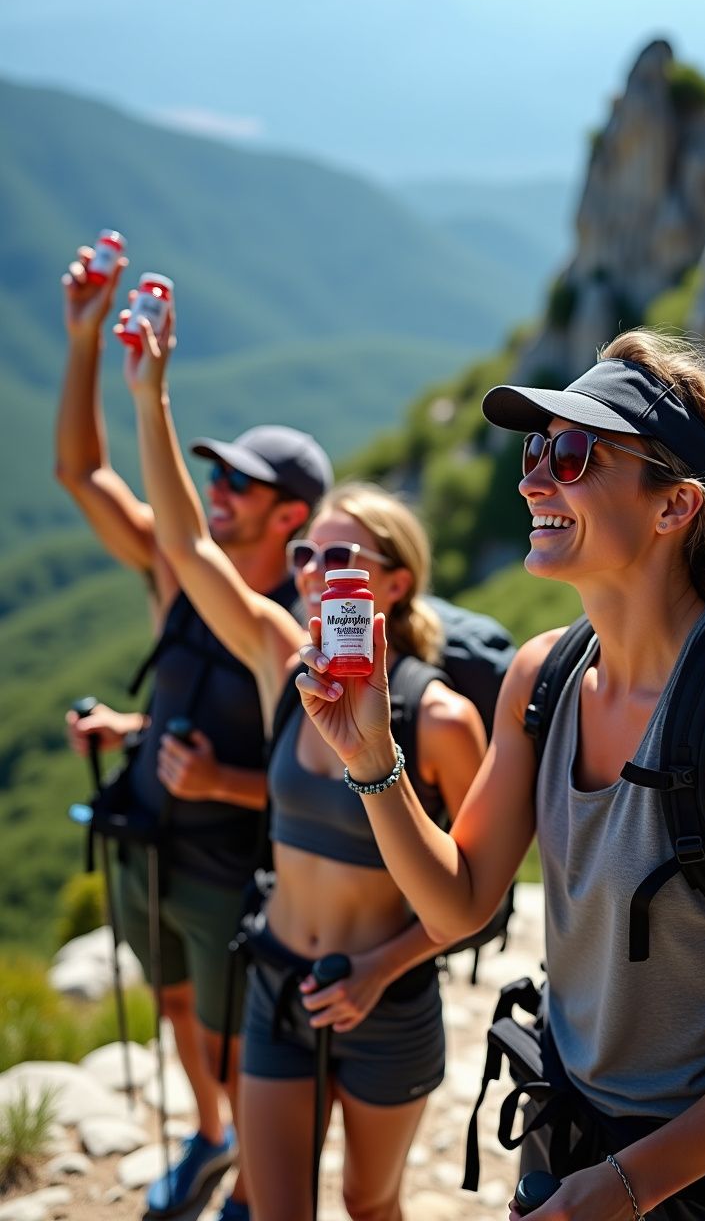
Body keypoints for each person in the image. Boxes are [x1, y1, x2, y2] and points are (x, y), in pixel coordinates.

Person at [298, 329, 705, 1221]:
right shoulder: (543, 677)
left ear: (674, 505)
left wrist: (626, 1186)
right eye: (535, 452)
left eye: (573, 455)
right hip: (566, 1138)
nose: (533, 480)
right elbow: (461, 902)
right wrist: (372, 759)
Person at [120, 297, 488, 1221]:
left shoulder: (441, 719)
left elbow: (478, 897)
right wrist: (150, 394)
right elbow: (188, 545)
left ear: (394, 583)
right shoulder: (282, 663)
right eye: (305, 557)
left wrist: (379, 970)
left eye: (343, 559)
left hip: (385, 1002)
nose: (317, 575)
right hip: (276, 978)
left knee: (371, 1206)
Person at [57, 247, 333, 1221]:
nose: (218, 490)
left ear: (290, 515)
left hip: (228, 864)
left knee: (232, 1034)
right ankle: (212, 1135)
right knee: (176, 1005)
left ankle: (248, 1174)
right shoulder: (179, 576)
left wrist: (222, 785)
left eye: (240, 486)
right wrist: (85, 339)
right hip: (151, 844)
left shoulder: (293, 632)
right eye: (215, 474)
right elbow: (81, 473)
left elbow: (326, 783)